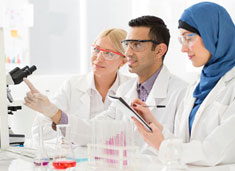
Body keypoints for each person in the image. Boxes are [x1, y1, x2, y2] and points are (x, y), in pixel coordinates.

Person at [24, 16, 187, 147]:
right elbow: (94, 130)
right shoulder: (126, 91)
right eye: (127, 45)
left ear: (159, 50)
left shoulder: (182, 92)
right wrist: (53, 113)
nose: (128, 52)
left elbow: (183, 148)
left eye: (136, 45)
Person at [131, 2, 235, 166]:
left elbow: (213, 152)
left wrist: (163, 146)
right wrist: (155, 125)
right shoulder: (197, 86)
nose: (183, 49)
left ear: (213, 33)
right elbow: (184, 144)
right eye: (182, 40)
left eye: (189, 38)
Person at [24, 28, 131, 141]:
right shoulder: (72, 85)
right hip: (77, 157)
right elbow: (40, 133)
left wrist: (59, 117)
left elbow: (126, 135)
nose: (98, 58)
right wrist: (47, 111)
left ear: (124, 61)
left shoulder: (130, 89)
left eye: (109, 54)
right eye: (96, 49)